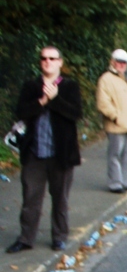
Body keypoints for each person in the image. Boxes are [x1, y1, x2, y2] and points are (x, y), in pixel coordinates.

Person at [6, 46, 82, 253]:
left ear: (60, 62)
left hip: (61, 154)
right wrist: (43, 100)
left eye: (52, 58)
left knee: (60, 199)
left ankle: (59, 237)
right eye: (43, 58)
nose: (47, 61)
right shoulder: (31, 86)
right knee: (30, 198)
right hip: (34, 152)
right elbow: (22, 112)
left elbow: (75, 114)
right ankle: (26, 238)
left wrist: (55, 99)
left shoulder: (69, 87)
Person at [96, 49, 127, 193]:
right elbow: (102, 103)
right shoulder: (106, 79)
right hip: (117, 124)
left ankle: (126, 182)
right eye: (118, 61)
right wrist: (115, 116)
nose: (121, 65)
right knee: (115, 155)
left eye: (124, 62)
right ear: (112, 61)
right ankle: (115, 183)